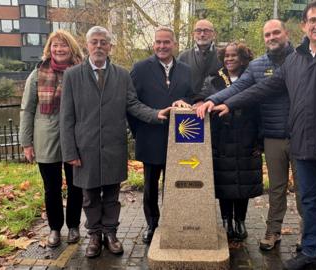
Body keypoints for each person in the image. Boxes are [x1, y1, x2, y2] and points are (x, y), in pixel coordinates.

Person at [208, 1, 316, 269]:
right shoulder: (296, 59)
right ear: (304, 26)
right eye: (312, 20)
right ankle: (310, 252)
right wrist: (225, 102)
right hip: (302, 143)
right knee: (308, 200)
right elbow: (261, 88)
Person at [60, 26, 171, 258]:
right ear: (87, 45)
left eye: (103, 42)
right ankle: (94, 235)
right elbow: (66, 117)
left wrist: (156, 114)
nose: (99, 46)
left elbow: (133, 104)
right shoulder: (72, 76)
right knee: (89, 196)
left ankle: (110, 233)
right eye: (94, 42)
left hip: (113, 146)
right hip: (85, 148)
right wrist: (70, 151)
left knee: (112, 194)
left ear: (110, 46)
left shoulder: (122, 75)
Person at [196, 19, 301, 251]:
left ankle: (309, 235)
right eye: (267, 34)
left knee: (304, 190)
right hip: (273, 136)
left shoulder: (301, 59)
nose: (271, 37)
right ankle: (273, 231)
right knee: (276, 188)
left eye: (276, 33)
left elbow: (258, 91)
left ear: (286, 33)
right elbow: (238, 88)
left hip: (301, 134)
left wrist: (229, 105)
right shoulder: (257, 67)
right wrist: (211, 101)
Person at [19, 29, 84, 248]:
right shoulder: (38, 73)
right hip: (45, 136)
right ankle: (55, 228)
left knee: (76, 185)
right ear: (50, 48)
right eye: (55, 45)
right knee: (51, 187)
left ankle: (74, 226)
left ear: (71, 48)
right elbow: (27, 109)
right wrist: (26, 142)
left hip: (75, 136)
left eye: (64, 45)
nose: (59, 49)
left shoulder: (81, 71)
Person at [129, 26, 193, 244]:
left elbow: (193, 97)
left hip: (180, 139)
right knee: (150, 186)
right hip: (150, 136)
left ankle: (173, 222)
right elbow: (131, 103)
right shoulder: (139, 69)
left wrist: (186, 103)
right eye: (158, 42)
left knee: (175, 184)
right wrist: (139, 131)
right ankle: (152, 223)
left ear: (174, 44)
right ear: (153, 44)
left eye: (167, 42)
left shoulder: (186, 69)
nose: (162, 46)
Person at [193, 42, 262, 241]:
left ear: (242, 58)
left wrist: (260, 141)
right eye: (226, 56)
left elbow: (261, 110)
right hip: (220, 139)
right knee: (224, 182)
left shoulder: (251, 79)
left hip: (246, 138)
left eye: (234, 55)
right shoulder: (213, 79)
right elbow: (202, 99)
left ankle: (240, 220)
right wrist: (198, 102)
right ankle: (225, 220)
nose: (230, 59)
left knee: (243, 182)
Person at [178, 19, 222, 95]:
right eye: (198, 31)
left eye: (206, 31)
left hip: (216, 103)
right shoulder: (183, 57)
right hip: (189, 104)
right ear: (193, 34)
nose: (202, 34)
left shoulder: (223, 55)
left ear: (214, 34)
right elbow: (177, 83)